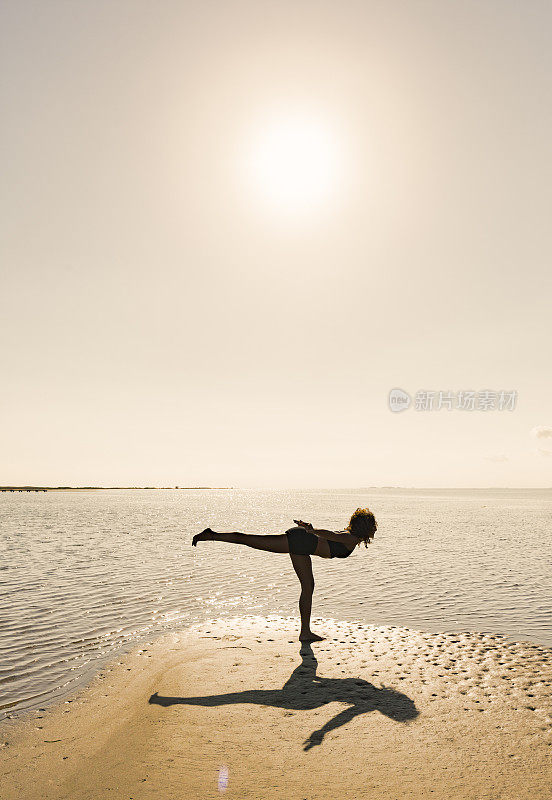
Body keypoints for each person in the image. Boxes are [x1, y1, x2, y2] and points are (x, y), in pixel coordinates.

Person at [192, 507, 377, 642]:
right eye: (372, 526)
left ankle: (305, 632)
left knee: (308, 587)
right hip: (300, 541)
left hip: (303, 547)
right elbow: (329, 535)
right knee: (250, 540)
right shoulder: (351, 538)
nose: (375, 529)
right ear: (366, 528)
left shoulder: (350, 535)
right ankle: (212, 535)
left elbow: (330, 535)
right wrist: (312, 530)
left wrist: (311, 530)